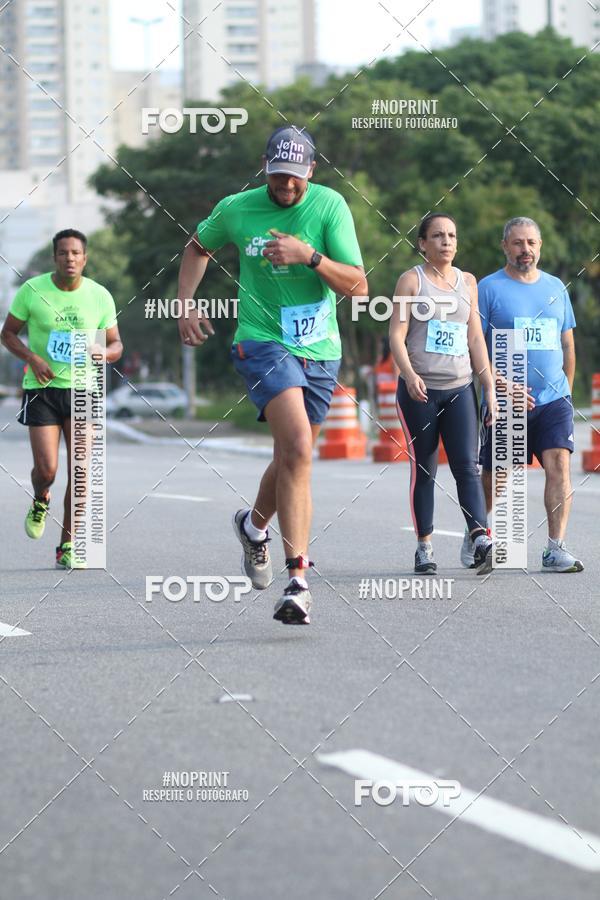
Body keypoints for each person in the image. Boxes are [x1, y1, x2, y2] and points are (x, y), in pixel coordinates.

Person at [176, 125, 367, 624]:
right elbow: (197, 247)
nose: (286, 185)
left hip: (320, 350)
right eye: (278, 176)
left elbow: (358, 286)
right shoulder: (237, 208)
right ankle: (298, 580)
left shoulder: (329, 206)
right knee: (299, 447)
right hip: (261, 341)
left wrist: (310, 256)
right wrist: (185, 303)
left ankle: (253, 527)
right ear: (264, 168)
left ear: (312, 171)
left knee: (291, 455)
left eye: (295, 177)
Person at [0, 229, 122, 569]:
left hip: (84, 389)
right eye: (63, 253)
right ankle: (41, 497)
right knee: (47, 469)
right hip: (41, 389)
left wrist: (104, 352)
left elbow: (116, 344)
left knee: (80, 473)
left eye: (75, 253)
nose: (70, 258)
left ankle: (67, 546)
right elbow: (7, 334)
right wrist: (32, 358)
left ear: (85, 258)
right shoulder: (32, 290)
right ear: (55, 257)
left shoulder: (100, 296)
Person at [471, 216, 583, 573]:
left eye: (531, 243)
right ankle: (479, 534)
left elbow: (567, 345)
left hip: (553, 399)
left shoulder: (556, 287)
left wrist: (564, 393)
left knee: (559, 463)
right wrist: (502, 387)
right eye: (518, 243)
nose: (525, 249)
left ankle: (555, 548)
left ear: (540, 246)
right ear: (505, 246)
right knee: (499, 475)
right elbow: (475, 349)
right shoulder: (488, 288)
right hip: (505, 400)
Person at [389, 213, 496, 575]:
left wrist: (489, 387)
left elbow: (475, 337)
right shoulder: (411, 280)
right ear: (422, 243)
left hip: (460, 387)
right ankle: (424, 547)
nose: (446, 241)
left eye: (451, 235)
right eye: (437, 235)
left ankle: (480, 539)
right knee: (425, 469)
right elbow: (396, 335)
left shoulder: (468, 282)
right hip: (420, 391)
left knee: (467, 465)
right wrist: (408, 374)